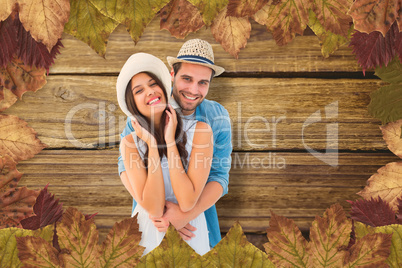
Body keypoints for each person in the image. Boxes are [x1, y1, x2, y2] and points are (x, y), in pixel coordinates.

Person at [118, 39, 232, 248]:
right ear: (172, 75)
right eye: (186, 79)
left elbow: (219, 176)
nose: (193, 89)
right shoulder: (140, 114)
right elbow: (125, 166)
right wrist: (158, 213)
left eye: (202, 82)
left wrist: (183, 216)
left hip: (195, 222)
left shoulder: (216, 118)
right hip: (151, 220)